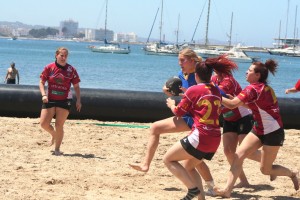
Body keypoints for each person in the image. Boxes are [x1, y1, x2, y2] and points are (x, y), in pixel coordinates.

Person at [129, 48, 216, 195]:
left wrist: (174, 102)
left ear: (192, 61)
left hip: (195, 118)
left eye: (182, 60)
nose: (179, 63)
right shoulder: (182, 74)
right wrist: (169, 91)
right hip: (188, 116)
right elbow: (182, 94)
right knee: (156, 128)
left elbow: (197, 97)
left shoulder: (200, 75)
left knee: (195, 159)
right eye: (178, 60)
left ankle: (209, 187)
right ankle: (145, 165)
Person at [214, 59, 299, 198]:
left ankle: (293, 173)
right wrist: (236, 102)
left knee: (265, 170)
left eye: (250, 70)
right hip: (258, 129)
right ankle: (227, 190)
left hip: (273, 132)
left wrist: (215, 94)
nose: (246, 72)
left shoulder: (253, 88)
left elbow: (231, 105)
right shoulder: (262, 88)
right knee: (238, 156)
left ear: (258, 75)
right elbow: (255, 106)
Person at [163, 57, 235, 200]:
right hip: (215, 138)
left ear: (196, 75)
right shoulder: (216, 90)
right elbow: (215, 102)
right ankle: (200, 198)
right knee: (189, 166)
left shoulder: (193, 90)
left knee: (168, 160)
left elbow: (178, 112)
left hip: (200, 136)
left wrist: (171, 104)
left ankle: (192, 189)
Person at [211, 55, 261, 188]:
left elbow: (217, 95)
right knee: (228, 151)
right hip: (228, 117)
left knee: (247, 152)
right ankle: (243, 180)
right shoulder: (214, 79)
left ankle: (269, 163)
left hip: (242, 116)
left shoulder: (228, 81)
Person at [39, 47, 82, 156]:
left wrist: (78, 100)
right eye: (61, 55)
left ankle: (57, 149)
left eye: (66, 56)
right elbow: (41, 82)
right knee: (43, 124)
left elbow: (76, 86)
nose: (64, 58)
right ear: (56, 55)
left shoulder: (71, 70)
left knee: (59, 125)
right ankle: (53, 134)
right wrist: (44, 95)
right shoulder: (49, 67)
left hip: (65, 100)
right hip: (50, 98)